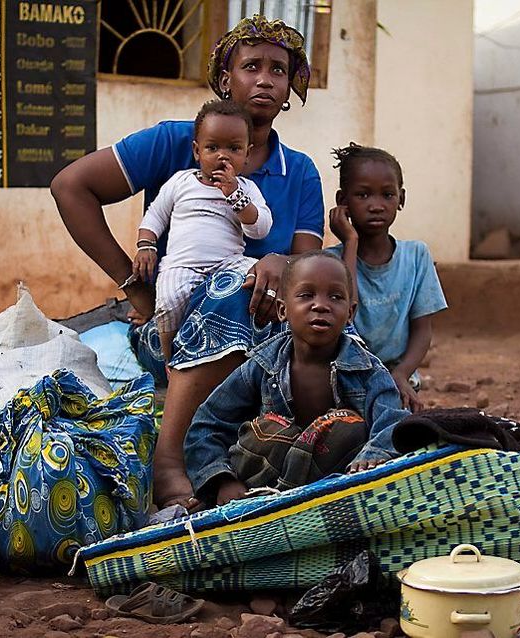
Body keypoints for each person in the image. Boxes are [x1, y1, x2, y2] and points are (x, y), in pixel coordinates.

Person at [50, 15, 323, 510]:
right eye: (251, 66)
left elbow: (310, 266)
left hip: (266, 333)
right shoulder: (175, 143)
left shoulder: (299, 171)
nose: (265, 78)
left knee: (278, 307)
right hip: (173, 326)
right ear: (225, 79)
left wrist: (278, 261)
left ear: (289, 90)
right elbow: (71, 187)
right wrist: (133, 283)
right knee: (227, 290)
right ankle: (170, 461)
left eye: (279, 70)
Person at [184, 251, 410, 506]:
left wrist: (373, 456)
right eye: (306, 295)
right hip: (264, 489)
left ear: (350, 313)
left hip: (338, 484)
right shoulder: (262, 365)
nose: (321, 305)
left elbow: (393, 421)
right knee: (264, 432)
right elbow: (208, 423)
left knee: (348, 429)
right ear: (283, 310)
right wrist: (221, 480)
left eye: (335, 297)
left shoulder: (368, 371)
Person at [132, 100, 272, 364]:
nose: (223, 156)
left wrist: (235, 196)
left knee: (254, 278)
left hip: (228, 263)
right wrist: (146, 245)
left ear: (247, 154)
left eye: (234, 148)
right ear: (197, 151)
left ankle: (250, 352)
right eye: (212, 147)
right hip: (182, 266)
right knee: (169, 300)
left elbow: (260, 229)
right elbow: (155, 215)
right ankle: (171, 360)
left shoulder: (247, 189)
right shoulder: (181, 182)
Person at [327, 143, 448, 413]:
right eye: (363, 195)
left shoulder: (416, 256)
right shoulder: (330, 263)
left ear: (401, 199)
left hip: (397, 378)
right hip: (346, 378)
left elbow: (422, 329)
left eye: (387, 195)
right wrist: (350, 241)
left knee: (393, 418)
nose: (376, 206)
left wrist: (402, 374)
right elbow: (346, 315)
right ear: (342, 201)